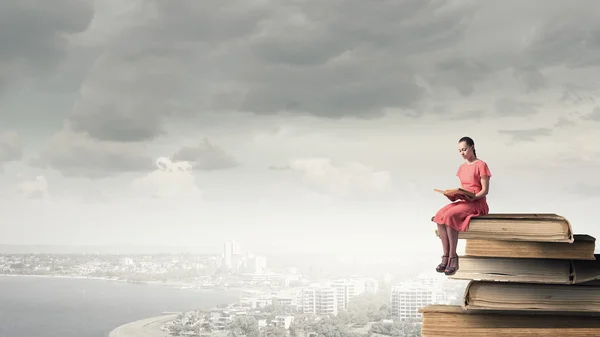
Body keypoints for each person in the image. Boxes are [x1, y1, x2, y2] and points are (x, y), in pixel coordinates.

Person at [432, 136, 492, 276]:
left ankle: (453, 256)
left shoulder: (481, 165)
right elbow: (462, 188)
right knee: (440, 215)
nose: (462, 153)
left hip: (477, 202)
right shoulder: (462, 168)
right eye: (459, 151)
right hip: (465, 201)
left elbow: (485, 190)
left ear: (472, 147)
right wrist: (455, 195)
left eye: (464, 149)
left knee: (450, 215)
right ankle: (445, 255)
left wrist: (473, 197)